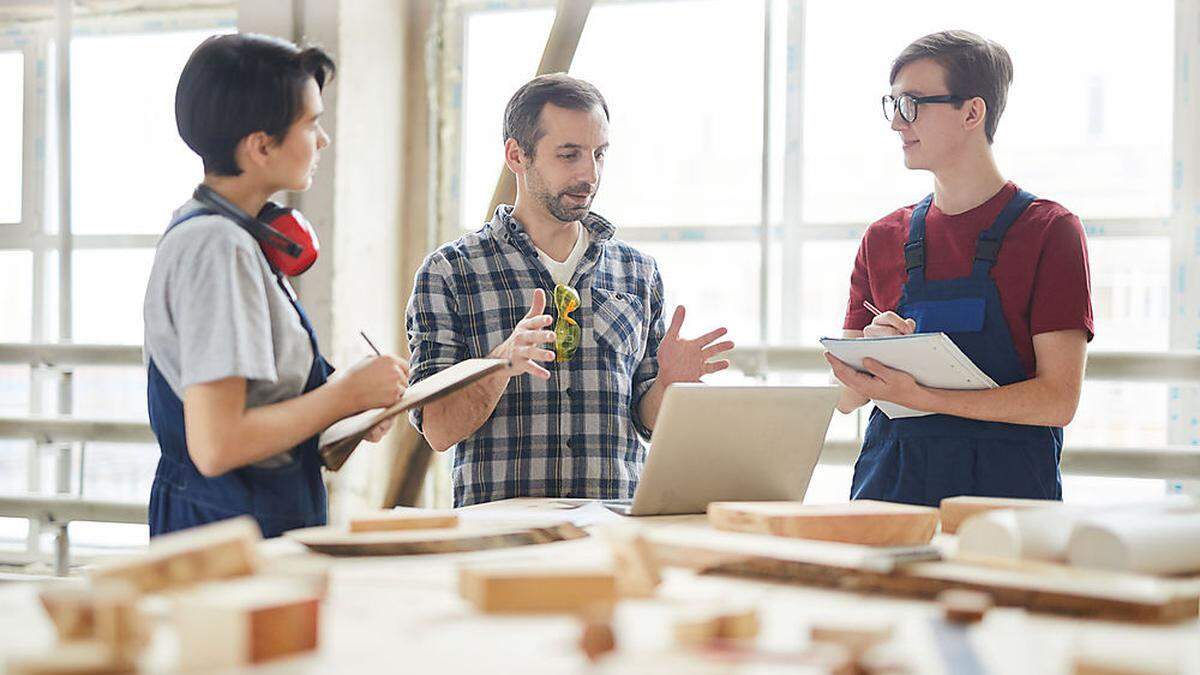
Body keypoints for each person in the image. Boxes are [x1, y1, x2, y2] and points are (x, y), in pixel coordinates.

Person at [407, 73, 735, 507]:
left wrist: (668, 386)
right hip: (500, 538)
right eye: (569, 155)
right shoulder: (450, 271)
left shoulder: (638, 272)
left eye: (600, 154)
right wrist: (500, 364)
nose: (590, 173)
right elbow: (439, 430)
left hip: (612, 531)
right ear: (516, 155)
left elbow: (646, 422)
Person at [143, 33, 407, 537]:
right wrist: (343, 395)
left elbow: (263, 409)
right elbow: (218, 444)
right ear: (261, 145)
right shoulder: (216, 247)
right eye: (311, 124)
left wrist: (348, 409)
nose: (322, 140)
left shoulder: (233, 236)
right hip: (227, 532)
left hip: (252, 520)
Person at [826, 30, 1094, 506]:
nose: (896, 124)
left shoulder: (1051, 232)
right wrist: (871, 358)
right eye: (892, 105)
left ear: (972, 112)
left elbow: (1058, 400)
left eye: (912, 105)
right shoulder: (882, 237)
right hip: (888, 493)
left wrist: (923, 397)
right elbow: (843, 399)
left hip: (1004, 504)